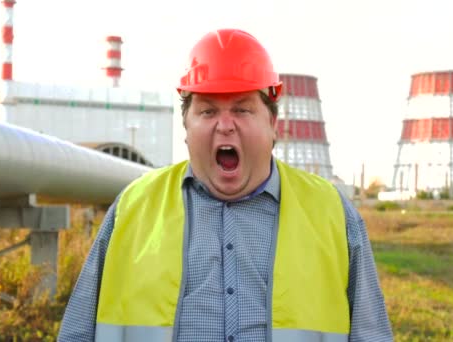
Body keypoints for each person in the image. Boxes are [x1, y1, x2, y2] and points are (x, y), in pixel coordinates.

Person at [58, 28, 393, 342]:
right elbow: (77, 332)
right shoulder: (134, 207)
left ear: (272, 122)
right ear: (186, 126)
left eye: (243, 109)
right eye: (207, 111)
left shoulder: (330, 211)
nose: (225, 126)